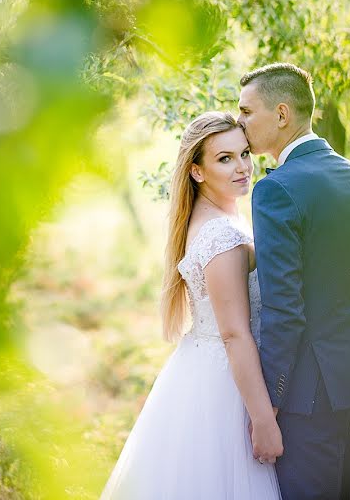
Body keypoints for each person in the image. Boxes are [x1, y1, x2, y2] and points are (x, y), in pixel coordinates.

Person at [237, 63, 350, 499]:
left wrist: (269, 404)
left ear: (281, 115)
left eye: (246, 111)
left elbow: (284, 308)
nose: (239, 123)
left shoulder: (276, 189)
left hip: (315, 394)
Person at [101, 111, 282, 499]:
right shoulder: (220, 235)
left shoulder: (212, 219)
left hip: (197, 369)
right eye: (225, 158)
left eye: (245, 153)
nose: (242, 167)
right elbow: (234, 333)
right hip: (225, 386)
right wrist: (263, 418)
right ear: (197, 172)